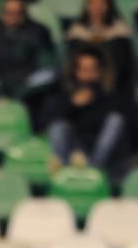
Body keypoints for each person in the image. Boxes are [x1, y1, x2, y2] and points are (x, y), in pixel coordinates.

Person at [43, 47, 130, 180]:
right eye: (84, 70)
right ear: (76, 72)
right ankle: (65, 177)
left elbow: (126, 127)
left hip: (102, 155)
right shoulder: (64, 96)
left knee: (115, 120)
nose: (88, 75)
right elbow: (46, 122)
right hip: (73, 151)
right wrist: (73, 106)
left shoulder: (111, 97)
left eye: (92, 70)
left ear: (100, 71)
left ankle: (92, 171)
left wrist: (95, 100)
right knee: (58, 127)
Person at [0, 0, 57, 125]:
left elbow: (47, 72)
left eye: (17, 12)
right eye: (8, 12)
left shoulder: (39, 32)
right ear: (2, 13)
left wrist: (19, 97)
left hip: (31, 95)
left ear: (24, 13)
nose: (12, 17)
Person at [66, 0, 135, 94]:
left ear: (108, 4)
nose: (97, 5)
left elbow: (126, 68)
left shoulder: (119, 31)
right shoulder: (77, 31)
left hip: (114, 87)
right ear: (86, 4)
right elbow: (71, 67)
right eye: (92, 1)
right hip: (82, 86)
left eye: (101, 1)